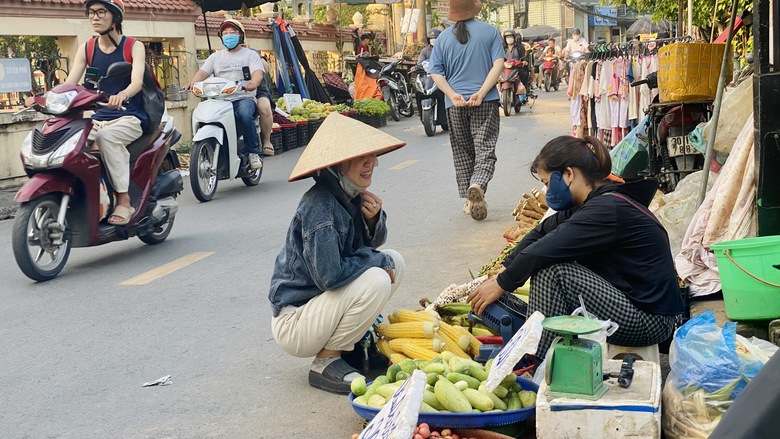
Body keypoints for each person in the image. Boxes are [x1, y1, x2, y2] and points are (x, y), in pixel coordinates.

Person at [467, 135, 683, 359]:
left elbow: (544, 250)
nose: (546, 190)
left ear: (569, 174)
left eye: (548, 182)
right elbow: (541, 232)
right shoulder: (596, 202)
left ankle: (539, 363)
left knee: (553, 271)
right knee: (547, 264)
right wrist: (505, 267)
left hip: (650, 321)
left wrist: (502, 283)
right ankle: (547, 354)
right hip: (634, 305)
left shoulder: (606, 208)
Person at [269, 113, 407, 395]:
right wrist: (379, 262)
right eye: (360, 157)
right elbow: (330, 276)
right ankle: (326, 361)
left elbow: (368, 247)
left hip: (320, 309)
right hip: (296, 322)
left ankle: (351, 347)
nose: (372, 162)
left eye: (372, 155)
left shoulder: (349, 196)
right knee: (379, 276)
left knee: (396, 261)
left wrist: (372, 221)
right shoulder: (320, 206)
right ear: (336, 165)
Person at [63, 0, 147, 225]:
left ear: (115, 18)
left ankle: (124, 200)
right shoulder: (87, 48)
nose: (95, 17)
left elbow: (136, 82)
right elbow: (70, 84)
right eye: (91, 13)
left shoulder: (133, 46)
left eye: (101, 12)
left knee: (106, 138)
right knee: (69, 141)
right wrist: (48, 97)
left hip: (129, 116)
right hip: (98, 117)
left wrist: (123, 95)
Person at [428, 0, 505, 221]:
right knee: (485, 147)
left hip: (455, 104)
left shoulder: (442, 38)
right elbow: (498, 64)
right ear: (474, 8)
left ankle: (470, 200)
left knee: (462, 150)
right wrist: (481, 92)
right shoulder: (490, 31)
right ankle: (477, 184)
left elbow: (435, 73)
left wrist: (452, 94)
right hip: (485, 101)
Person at [186, 19, 264, 170]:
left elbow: (258, 72)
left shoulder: (250, 55)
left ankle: (252, 152)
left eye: (233, 32)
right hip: (219, 100)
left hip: (242, 97)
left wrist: (253, 83)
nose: (229, 35)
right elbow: (203, 73)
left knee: (245, 114)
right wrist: (193, 83)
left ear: (241, 36)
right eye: (225, 33)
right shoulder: (215, 57)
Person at [255, 54, 275, 156]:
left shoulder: (253, 53)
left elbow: (265, 66)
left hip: (257, 91)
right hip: (232, 93)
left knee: (264, 108)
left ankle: (267, 140)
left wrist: (260, 60)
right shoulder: (220, 56)